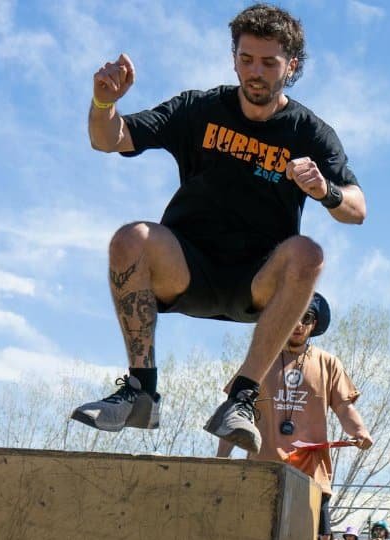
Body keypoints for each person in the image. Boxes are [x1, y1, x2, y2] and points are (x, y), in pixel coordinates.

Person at [70, 4, 366, 464]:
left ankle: (242, 398)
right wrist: (105, 101)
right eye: (247, 59)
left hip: (257, 284)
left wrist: (325, 190)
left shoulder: (310, 132)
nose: (256, 72)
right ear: (234, 59)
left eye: (269, 63)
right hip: (188, 268)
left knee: (308, 253)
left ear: (292, 66)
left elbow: (357, 209)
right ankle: (140, 392)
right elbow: (109, 139)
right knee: (131, 238)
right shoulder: (199, 109)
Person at [216, 292, 373, 540]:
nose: (299, 324)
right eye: (293, 316)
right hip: (264, 468)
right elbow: (233, 409)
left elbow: (344, 408)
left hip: (311, 474)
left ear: (315, 323)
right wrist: (220, 459)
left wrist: (359, 432)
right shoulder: (260, 359)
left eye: (307, 317)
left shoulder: (328, 363)